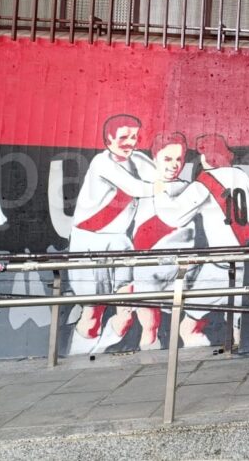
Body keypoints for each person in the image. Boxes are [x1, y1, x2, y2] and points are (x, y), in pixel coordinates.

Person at [152, 133, 249, 346]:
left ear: (205, 157)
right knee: (237, 324)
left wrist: (159, 192)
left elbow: (173, 216)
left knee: (189, 328)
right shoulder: (240, 176)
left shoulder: (203, 183)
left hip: (220, 268)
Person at [68, 114, 157, 354]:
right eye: (124, 137)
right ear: (108, 138)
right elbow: (137, 188)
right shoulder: (101, 162)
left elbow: (162, 177)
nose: (131, 142)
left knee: (127, 314)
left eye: (135, 136)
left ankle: (94, 354)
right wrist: (166, 186)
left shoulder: (137, 159)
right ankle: (80, 358)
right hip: (90, 243)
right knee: (93, 313)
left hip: (119, 243)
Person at [128, 132, 206, 349]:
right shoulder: (141, 189)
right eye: (168, 159)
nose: (174, 165)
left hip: (183, 270)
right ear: (155, 158)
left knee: (191, 327)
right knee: (149, 330)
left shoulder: (189, 189)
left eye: (179, 159)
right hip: (148, 269)